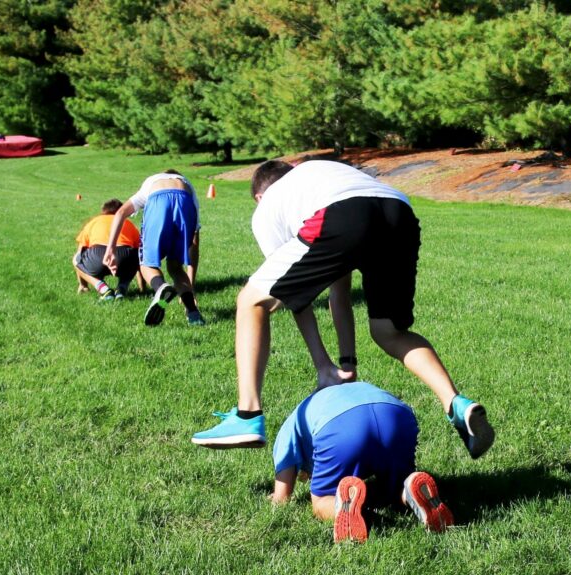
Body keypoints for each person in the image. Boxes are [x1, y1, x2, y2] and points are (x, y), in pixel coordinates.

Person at [191, 159, 494, 460]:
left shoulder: (267, 209)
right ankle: (455, 403)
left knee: (250, 301)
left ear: (259, 197)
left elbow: (295, 297)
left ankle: (247, 414)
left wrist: (323, 365)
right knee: (388, 331)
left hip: (341, 213)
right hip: (398, 212)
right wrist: (346, 364)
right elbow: (340, 290)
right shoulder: (318, 176)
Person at [249, 381, 455, 543]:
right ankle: (409, 490)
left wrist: (277, 496)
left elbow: (282, 497)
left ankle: (345, 509)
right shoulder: (327, 399)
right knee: (393, 485)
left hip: (340, 427)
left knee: (321, 500)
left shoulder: (291, 424)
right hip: (396, 414)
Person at [103, 169, 204, 326]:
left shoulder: (152, 181)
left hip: (158, 199)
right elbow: (194, 241)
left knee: (146, 264)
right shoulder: (187, 184)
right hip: (186, 202)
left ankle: (160, 287)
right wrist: (191, 284)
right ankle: (193, 314)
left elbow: (121, 212)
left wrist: (110, 248)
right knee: (176, 268)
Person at [73, 199, 141, 300]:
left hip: (97, 255)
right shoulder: (128, 223)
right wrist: (142, 288)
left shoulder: (94, 221)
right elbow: (140, 256)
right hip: (126, 256)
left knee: (76, 260)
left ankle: (102, 288)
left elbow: (80, 253)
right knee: (134, 258)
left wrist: (83, 284)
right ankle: (122, 288)